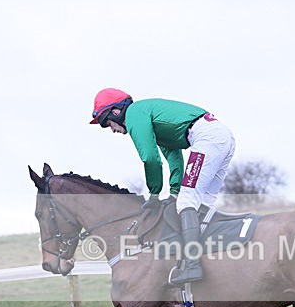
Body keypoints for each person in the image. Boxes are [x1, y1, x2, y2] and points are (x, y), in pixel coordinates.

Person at [90, 88, 235, 285]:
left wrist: (154, 194)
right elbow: (173, 156)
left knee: (187, 200)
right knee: (203, 203)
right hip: (220, 136)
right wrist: (174, 191)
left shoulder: (134, 115)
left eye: (107, 124)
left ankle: (192, 265)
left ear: (115, 112)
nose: (112, 130)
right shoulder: (152, 118)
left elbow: (150, 158)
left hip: (207, 138)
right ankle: (213, 260)